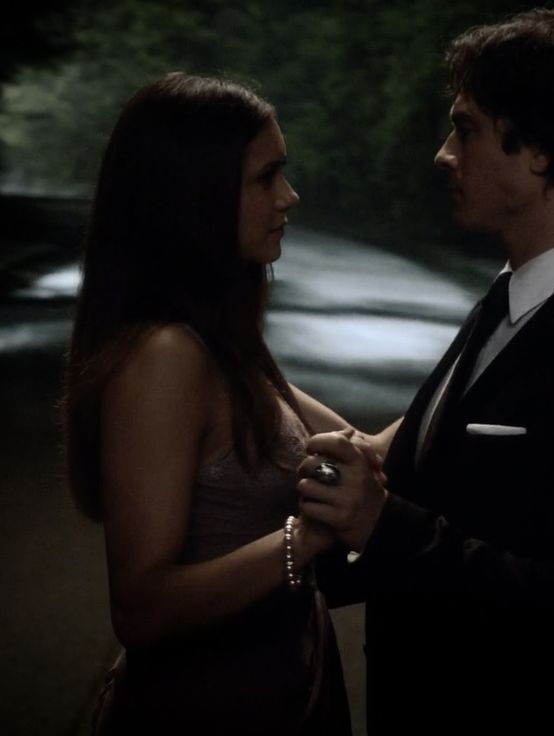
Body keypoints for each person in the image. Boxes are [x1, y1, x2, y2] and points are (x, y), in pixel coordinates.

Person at [297, 8, 554, 735]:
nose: (442, 153)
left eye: (465, 128)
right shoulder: (502, 304)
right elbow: (440, 495)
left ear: (540, 149)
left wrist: (381, 523)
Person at [63, 71, 377, 734]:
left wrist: (489, 351)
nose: (288, 197)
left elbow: (368, 455)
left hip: (288, 687)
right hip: (211, 709)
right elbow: (141, 608)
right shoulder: (166, 357)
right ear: (194, 195)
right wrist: (310, 535)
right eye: (266, 177)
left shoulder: (227, 349)